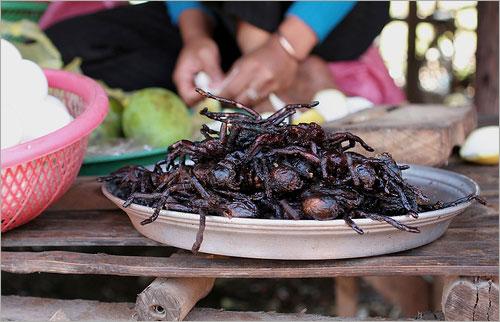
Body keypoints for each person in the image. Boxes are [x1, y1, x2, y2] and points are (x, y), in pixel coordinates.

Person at [46, 1, 389, 108]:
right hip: (222, 21)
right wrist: (195, 36)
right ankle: (242, 78)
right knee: (63, 49)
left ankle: (287, 75)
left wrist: (286, 47)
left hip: (322, 20)